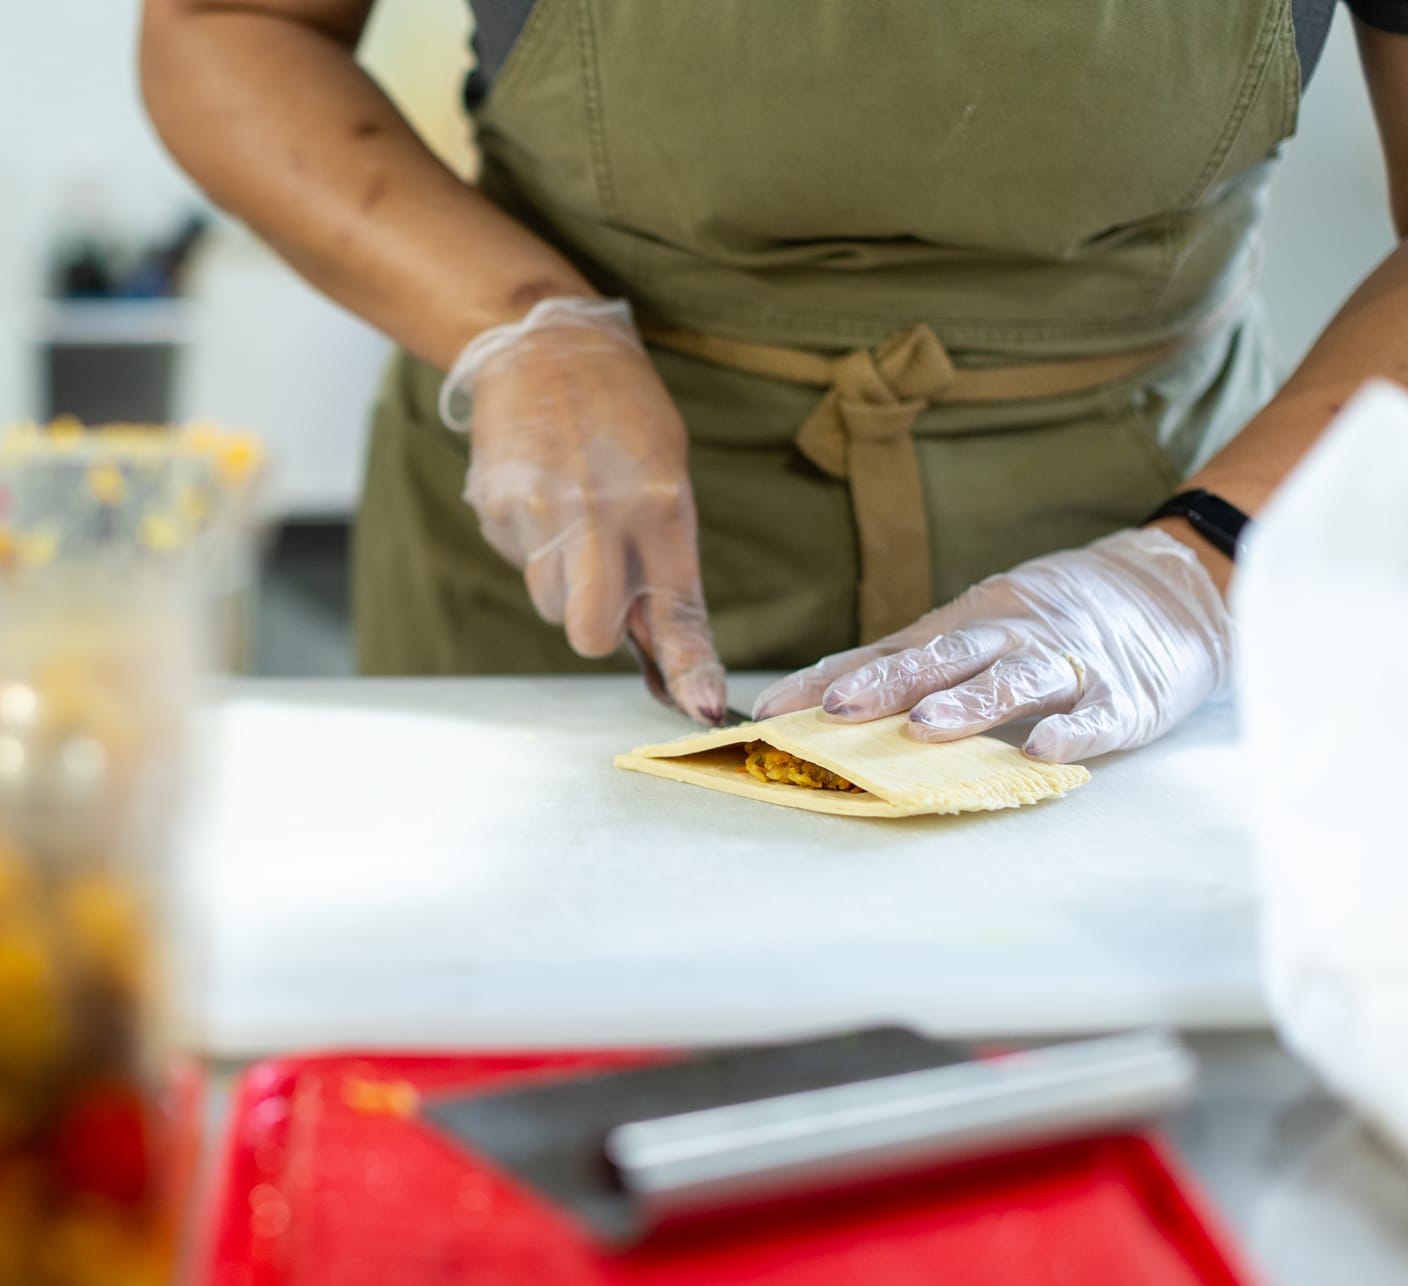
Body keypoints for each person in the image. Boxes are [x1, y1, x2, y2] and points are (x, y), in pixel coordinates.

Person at [142, 1, 1408, 761]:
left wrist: (1195, 568)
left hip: (1152, 533)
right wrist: (519, 324)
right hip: (578, 553)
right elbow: (228, 26)